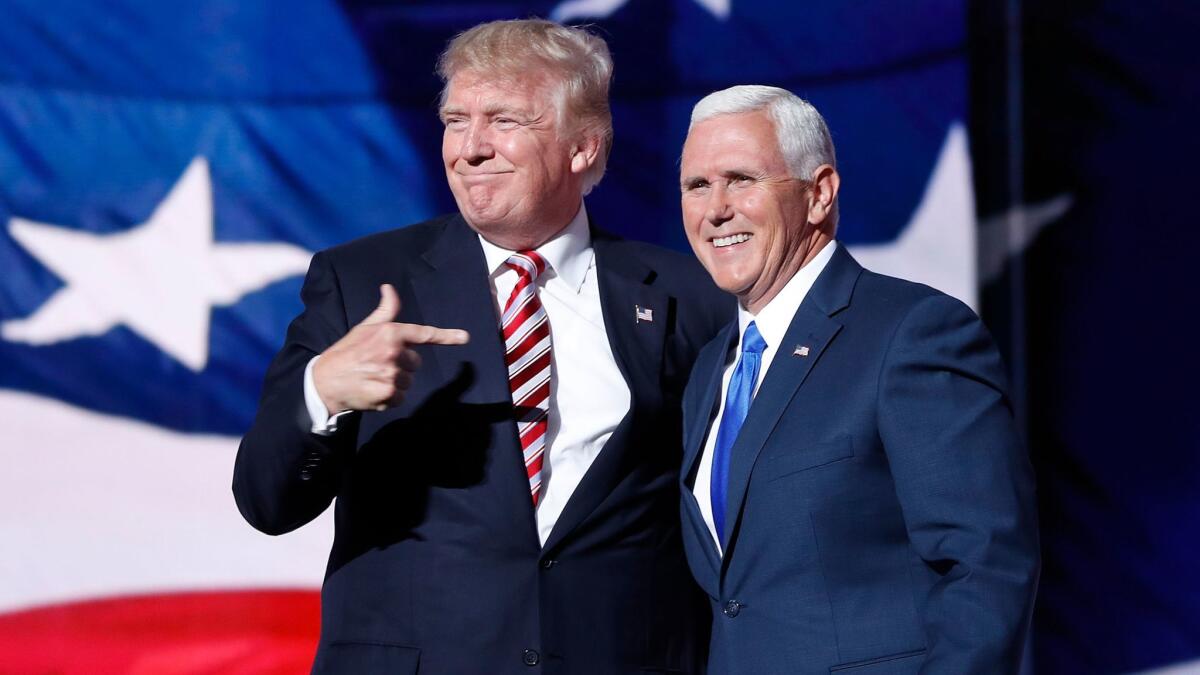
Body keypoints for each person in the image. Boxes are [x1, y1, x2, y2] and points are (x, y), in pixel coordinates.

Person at [233, 19, 731, 674]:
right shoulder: (360, 282)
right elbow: (267, 501)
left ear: (583, 148)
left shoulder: (691, 297)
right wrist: (321, 391)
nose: (469, 148)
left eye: (503, 120)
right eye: (455, 119)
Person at [676, 85, 1040, 674]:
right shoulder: (710, 369)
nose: (715, 208)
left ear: (818, 194)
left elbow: (985, 562)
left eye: (741, 179)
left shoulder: (912, 332)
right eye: (697, 185)